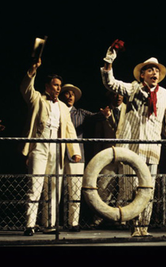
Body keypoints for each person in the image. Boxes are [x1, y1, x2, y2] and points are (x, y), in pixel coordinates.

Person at [101, 43, 166, 237]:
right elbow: (111, 83)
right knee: (131, 189)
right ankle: (134, 226)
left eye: (157, 70)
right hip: (131, 148)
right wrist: (110, 59)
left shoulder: (165, 95)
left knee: (148, 190)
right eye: (150, 70)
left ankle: (143, 227)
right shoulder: (133, 89)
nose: (154, 73)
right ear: (142, 75)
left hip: (152, 150)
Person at [20, 57, 81, 236]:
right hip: (39, 145)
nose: (58, 88)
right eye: (55, 85)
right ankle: (30, 225)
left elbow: (69, 130)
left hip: (56, 147)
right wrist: (32, 70)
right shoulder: (38, 99)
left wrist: (74, 151)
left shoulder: (62, 106)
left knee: (54, 187)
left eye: (59, 85)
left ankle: (49, 224)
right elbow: (26, 89)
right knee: (36, 185)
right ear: (47, 86)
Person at [59, 83, 109, 231]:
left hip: (76, 155)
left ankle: (73, 223)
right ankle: (50, 223)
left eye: (72, 94)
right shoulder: (56, 110)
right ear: (62, 96)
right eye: (67, 93)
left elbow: (94, 116)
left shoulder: (79, 113)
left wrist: (104, 114)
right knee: (54, 190)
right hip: (57, 153)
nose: (70, 96)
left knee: (74, 190)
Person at [91, 91, 131, 229]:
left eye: (121, 94)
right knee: (104, 186)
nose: (118, 97)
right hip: (108, 155)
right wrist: (98, 158)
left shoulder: (130, 110)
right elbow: (98, 136)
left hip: (125, 154)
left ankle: (122, 219)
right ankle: (100, 218)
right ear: (110, 96)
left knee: (125, 188)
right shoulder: (104, 111)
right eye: (115, 94)